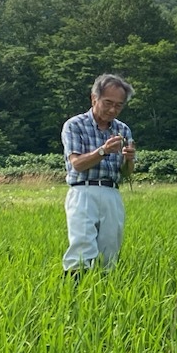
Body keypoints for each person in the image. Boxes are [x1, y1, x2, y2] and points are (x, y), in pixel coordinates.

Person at [61, 73, 136, 276]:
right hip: (83, 190)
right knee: (82, 245)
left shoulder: (123, 129)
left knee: (110, 248)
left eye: (118, 105)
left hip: (112, 192)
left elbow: (126, 173)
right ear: (94, 98)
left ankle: (103, 296)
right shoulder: (74, 125)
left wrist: (129, 159)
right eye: (108, 103)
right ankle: (74, 292)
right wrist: (102, 151)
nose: (113, 109)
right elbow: (76, 164)